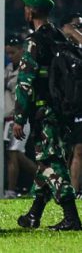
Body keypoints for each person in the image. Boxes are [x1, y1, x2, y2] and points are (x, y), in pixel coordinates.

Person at [14, 0, 81, 230]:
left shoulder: (34, 42)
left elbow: (25, 82)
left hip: (44, 113)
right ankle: (33, 215)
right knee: (45, 166)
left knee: (52, 163)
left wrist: (19, 117)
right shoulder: (59, 37)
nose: (24, 11)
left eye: (26, 8)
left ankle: (72, 218)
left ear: (31, 12)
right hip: (62, 111)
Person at [3, 35, 36, 198]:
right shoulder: (7, 68)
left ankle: (11, 190)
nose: (10, 56)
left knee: (14, 153)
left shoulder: (26, 70)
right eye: (8, 53)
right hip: (9, 119)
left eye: (13, 52)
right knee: (14, 154)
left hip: (21, 118)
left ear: (22, 51)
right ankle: (46, 179)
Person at [59, 12, 82, 198]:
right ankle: (69, 192)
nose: (78, 29)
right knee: (68, 150)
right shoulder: (60, 49)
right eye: (75, 26)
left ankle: (73, 192)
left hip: (78, 105)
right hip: (64, 106)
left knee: (79, 149)